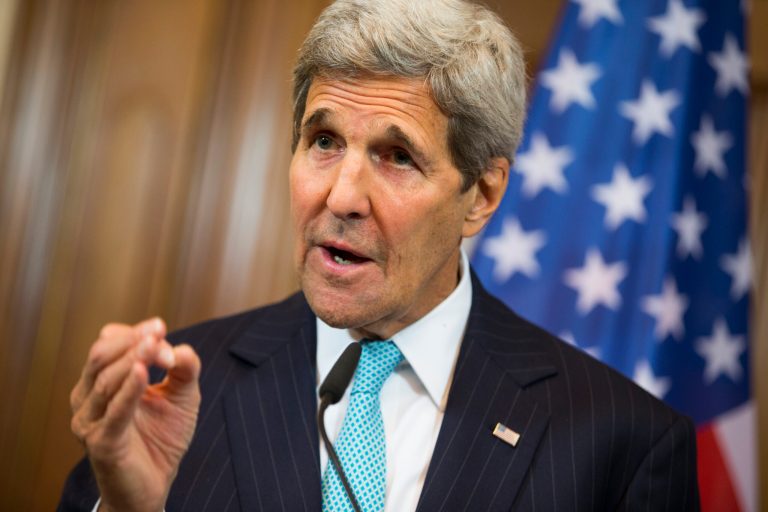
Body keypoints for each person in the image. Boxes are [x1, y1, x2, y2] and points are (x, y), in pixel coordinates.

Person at [59, 0, 700, 510]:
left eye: (397, 157)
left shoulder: (622, 442)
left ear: (481, 196)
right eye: (324, 140)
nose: (341, 196)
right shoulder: (164, 398)